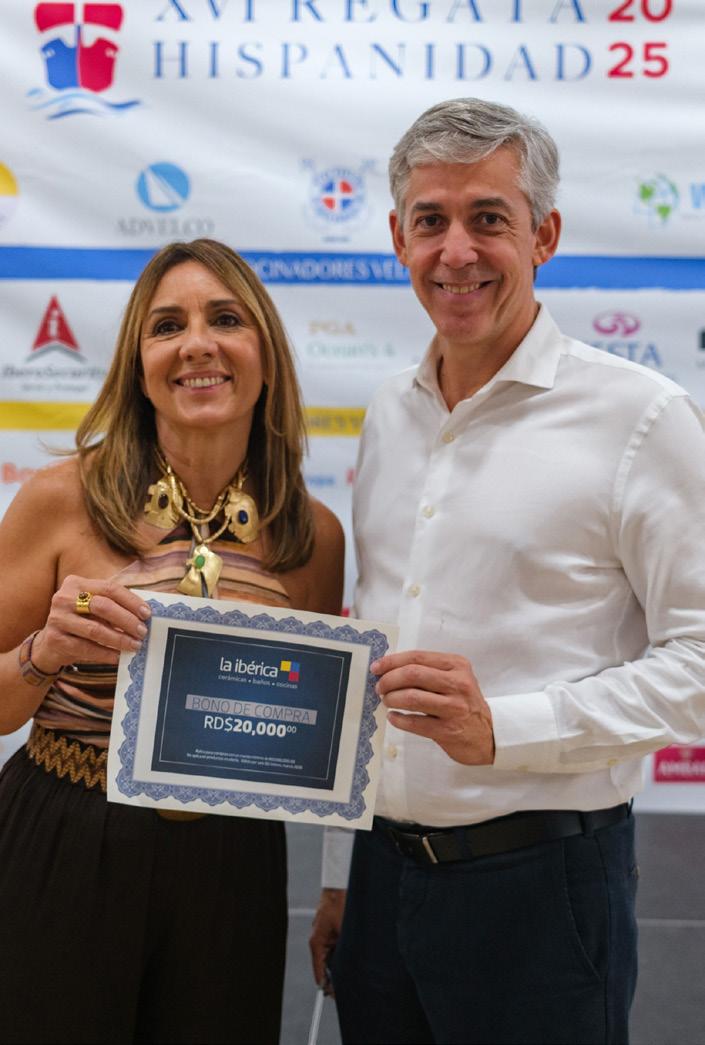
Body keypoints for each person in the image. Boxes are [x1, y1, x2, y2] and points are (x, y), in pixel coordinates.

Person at [309, 97, 705, 1045]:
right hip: (379, 880)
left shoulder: (641, 417)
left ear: (544, 236)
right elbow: (370, 654)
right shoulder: (388, 413)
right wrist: (336, 873)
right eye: (431, 220)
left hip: (541, 890)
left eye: (488, 217)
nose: (456, 251)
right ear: (397, 238)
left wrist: (506, 728)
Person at [0, 237, 344, 1045]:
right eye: (166, 325)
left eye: (225, 319)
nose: (197, 344)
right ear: (139, 362)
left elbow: (306, 739)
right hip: (66, 835)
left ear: (266, 354)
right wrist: (43, 652)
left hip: (234, 857)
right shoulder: (60, 497)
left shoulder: (312, 534)